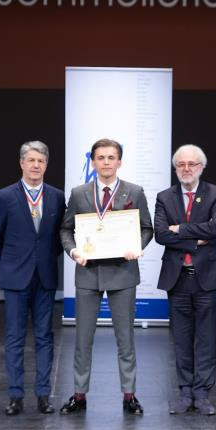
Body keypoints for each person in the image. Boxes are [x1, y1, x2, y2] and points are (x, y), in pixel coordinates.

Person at [59, 138, 153, 415]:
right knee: (82, 339)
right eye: (101, 157)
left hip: (122, 274)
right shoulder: (79, 193)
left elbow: (147, 228)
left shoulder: (134, 191)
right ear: (93, 162)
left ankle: (129, 395)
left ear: (120, 162)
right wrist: (73, 251)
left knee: (125, 340)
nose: (106, 162)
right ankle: (79, 395)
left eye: (111, 157)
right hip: (87, 273)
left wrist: (136, 247)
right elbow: (65, 229)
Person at [0, 140, 66, 416]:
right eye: (31, 160)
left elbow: (59, 238)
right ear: (21, 163)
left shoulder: (57, 196)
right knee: (15, 337)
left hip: (44, 277)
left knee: (45, 337)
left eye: (41, 161)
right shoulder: (5, 196)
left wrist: (41, 261)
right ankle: (15, 395)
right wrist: (8, 266)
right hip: (15, 278)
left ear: (46, 165)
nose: (36, 165)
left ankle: (43, 395)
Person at [154, 144, 216, 415]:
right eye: (181, 165)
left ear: (202, 167)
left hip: (207, 278)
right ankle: (185, 391)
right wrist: (196, 239)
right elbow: (161, 234)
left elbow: (215, 228)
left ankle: (202, 392)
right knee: (181, 338)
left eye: (192, 164)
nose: (186, 169)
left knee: (207, 338)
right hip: (178, 278)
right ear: (175, 168)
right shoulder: (164, 197)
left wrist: (181, 230)